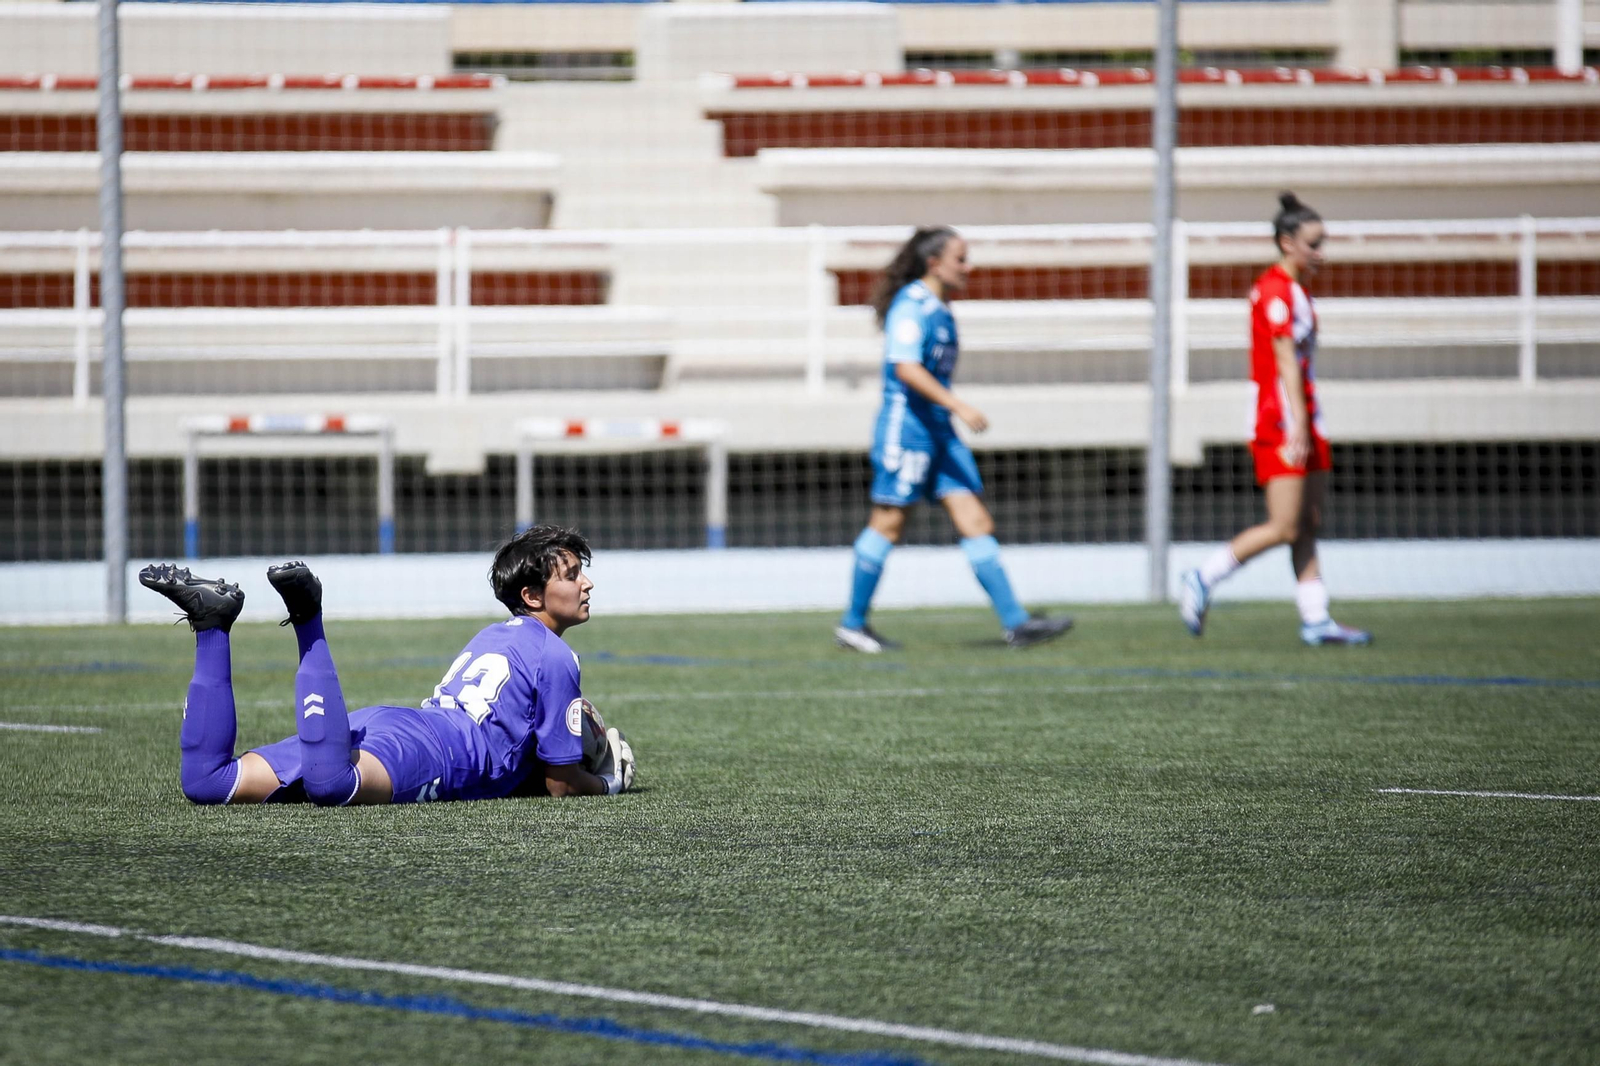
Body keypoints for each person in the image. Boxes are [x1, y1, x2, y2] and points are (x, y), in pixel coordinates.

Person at [139, 525, 636, 806]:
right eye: (572, 575)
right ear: (531, 595)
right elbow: (561, 784)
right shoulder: (556, 655)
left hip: (384, 723)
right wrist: (609, 783)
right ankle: (308, 620)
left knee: (209, 782)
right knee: (331, 785)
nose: (586, 583)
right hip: (438, 751)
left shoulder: (493, 634)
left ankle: (211, 629)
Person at [834, 225, 1074, 652]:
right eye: (960, 258)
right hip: (908, 429)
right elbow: (905, 368)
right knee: (888, 523)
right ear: (934, 263)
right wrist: (959, 406)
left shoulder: (940, 307)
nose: (968, 266)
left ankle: (1016, 623)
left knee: (975, 519)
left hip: (938, 433)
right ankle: (853, 624)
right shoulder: (912, 306)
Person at [1178, 193, 1371, 647]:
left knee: (1308, 521)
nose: (1321, 253)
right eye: (1313, 244)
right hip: (1280, 421)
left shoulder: (1297, 290)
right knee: (1284, 524)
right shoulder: (1274, 292)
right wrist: (1299, 426)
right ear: (1287, 242)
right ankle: (1204, 577)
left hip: (1305, 415)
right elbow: (1284, 363)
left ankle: (1316, 617)